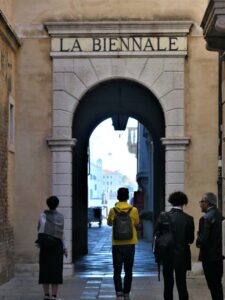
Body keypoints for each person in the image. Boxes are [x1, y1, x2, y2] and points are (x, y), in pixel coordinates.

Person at [154, 191, 194, 300]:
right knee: (182, 285)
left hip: (166, 254)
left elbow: (156, 234)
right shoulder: (189, 219)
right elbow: (190, 240)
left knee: (168, 285)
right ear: (184, 203)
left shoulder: (163, 216)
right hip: (182, 255)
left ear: (171, 202)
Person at [107, 187, 139, 300]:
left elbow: (109, 223)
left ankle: (118, 293)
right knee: (128, 270)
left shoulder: (113, 210)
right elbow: (136, 222)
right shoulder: (133, 210)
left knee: (117, 270)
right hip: (130, 243)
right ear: (127, 197)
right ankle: (126, 293)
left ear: (117, 197)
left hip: (117, 243)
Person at [36, 196, 68, 300]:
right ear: (57, 205)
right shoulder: (61, 217)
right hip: (57, 245)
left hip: (45, 245)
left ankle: (46, 295)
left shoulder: (42, 215)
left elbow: (39, 229)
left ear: (48, 204)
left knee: (45, 269)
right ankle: (54, 295)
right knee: (56, 269)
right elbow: (61, 233)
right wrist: (65, 247)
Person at [196, 192, 224, 300]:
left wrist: (198, 240)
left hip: (209, 257)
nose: (200, 204)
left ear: (207, 202)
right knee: (217, 285)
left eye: (202, 202)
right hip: (219, 256)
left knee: (212, 286)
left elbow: (202, 239)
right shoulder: (220, 215)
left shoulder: (205, 218)